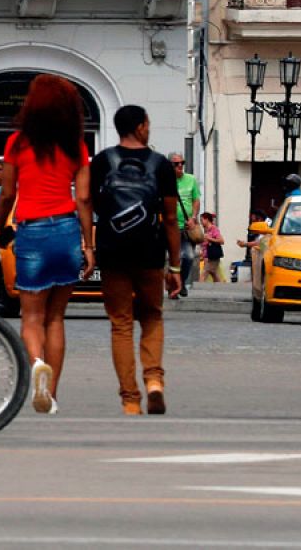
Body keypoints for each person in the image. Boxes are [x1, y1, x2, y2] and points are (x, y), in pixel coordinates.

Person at [0, 74, 94, 415]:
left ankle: (37, 364)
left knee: (31, 317)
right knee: (56, 318)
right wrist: (89, 246)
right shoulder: (76, 145)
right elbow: (83, 198)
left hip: (32, 231)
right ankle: (51, 395)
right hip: (66, 230)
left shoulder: (17, 143)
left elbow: (7, 193)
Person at [88, 105, 181, 416]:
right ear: (140, 127)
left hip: (112, 251)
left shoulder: (103, 161)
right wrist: (175, 265)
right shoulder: (160, 164)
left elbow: (90, 203)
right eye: (148, 123)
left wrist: (89, 245)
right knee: (152, 317)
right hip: (149, 252)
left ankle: (130, 400)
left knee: (121, 324)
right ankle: (154, 381)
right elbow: (171, 219)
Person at [170, 151, 200, 296]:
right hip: (170, 227)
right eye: (176, 164)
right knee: (172, 258)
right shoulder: (166, 181)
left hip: (187, 227)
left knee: (188, 256)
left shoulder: (191, 179)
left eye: (182, 163)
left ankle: (181, 283)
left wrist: (193, 217)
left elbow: (196, 200)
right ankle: (173, 285)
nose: (180, 166)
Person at [200, 212, 225, 283]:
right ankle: (219, 286)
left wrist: (209, 239)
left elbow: (221, 241)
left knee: (204, 273)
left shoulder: (214, 229)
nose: (201, 222)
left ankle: (199, 288)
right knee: (213, 273)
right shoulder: (207, 230)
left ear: (207, 219)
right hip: (208, 257)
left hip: (213, 257)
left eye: (202, 220)